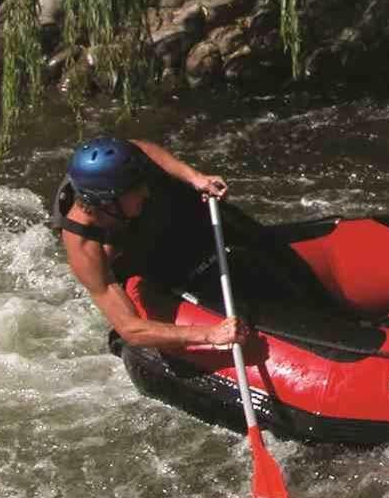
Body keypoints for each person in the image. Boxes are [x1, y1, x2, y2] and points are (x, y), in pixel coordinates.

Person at [49, 136, 245, 351]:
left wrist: (195, 177)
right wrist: (210, 334)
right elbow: (131, 329)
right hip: (136, 248)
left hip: (155, 216)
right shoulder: (84, 246)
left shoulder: (121, 170)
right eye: (136, 189)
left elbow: (142, 148)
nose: (146, 191)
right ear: (107, 202)